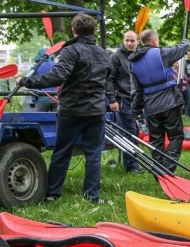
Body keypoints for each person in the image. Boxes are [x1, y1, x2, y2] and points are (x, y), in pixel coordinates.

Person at [17, 13, 109, 203]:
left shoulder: (71, 50)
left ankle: (52, 193)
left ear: (74, 30)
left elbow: (56, 77)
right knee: (93, 154)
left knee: (62, 151)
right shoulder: (102, 52)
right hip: (96, 110)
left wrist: (26, 81)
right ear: (93, 30)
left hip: (72, 110)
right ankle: (92, 196)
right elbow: (107, 80)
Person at [128, 29, 189, 173]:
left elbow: (135, 90)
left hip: (151, 107)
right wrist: (185, 40)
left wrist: (136, 109)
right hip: (170, 104)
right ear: (154, 40)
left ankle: (158, 171)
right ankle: (167, 168)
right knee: (176, 136)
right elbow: (183, 48)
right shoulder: (161, 53)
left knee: (156, 140)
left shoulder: (133, 63)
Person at [107, 30, 141, 173]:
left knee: (136, 131)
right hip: (122, 99)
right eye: (127, 40)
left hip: (136, 100)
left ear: (137, 42)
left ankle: (132, 163)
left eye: (132, 40)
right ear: (123, 40)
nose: (129, 43)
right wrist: (112, 99)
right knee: (129, 132)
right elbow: (109, 79)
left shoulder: (138, 56)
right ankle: (131, 167)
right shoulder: (116, 57)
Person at [31, 47, 59, 112]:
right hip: (56, 98)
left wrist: (33, 99)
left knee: (41, 120)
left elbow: (32, 84)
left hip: (42, 98)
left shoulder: (35, 68)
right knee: (56, 120)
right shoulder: (57, 65)